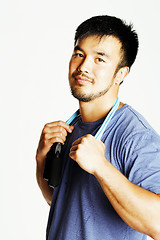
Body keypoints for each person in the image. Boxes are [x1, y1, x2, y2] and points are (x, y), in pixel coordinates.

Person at [36, 15, 160, 240]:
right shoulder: (69, 129)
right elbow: (60, 202)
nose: (83, 67)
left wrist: (101, 168)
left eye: (99, 59)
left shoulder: (136, 136)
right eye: (79, 54)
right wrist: (41, 161)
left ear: (120, 74)